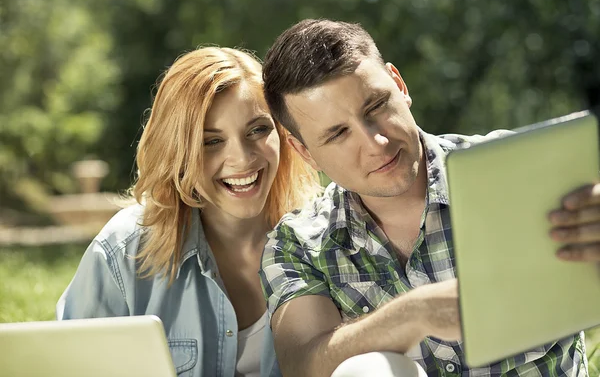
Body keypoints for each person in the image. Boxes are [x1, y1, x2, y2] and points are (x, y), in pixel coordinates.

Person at [259, 19, 599, 376]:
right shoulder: (298, 243)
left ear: (399, 85)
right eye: (339, 134)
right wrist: (413, 314)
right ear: (305, 152)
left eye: (375, 106)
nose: (376, 143)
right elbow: (302, 365)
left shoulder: (527, 170)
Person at [56, 47, 319, 377]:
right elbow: (65, 365)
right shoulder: (125, 251)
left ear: (282, 132)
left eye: (257, 130)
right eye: (211, 142)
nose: (242, 158)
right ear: (177, 151)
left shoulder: (321, 241)